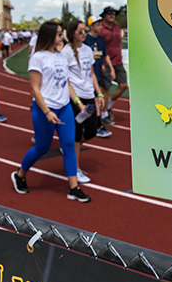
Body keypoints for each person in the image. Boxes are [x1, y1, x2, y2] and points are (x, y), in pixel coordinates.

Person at [11, 21, 90, 202]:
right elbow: (35, 89)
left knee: (69, 145)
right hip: (44, 110)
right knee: (42, 147)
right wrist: (47, 111)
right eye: (59, 34)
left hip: (64, 108)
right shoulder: (37, 58)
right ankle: (20, 175)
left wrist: (77, 102)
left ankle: (73, 188)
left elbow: (66, 82)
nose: (62, 36)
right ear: (49, 36)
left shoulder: (62, 56)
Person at [62, 20, 105, 184]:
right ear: (72, 33)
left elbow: (92, 74)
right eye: (80, 31)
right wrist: (78, 102)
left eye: (84, 30)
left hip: (89, 95)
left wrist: (99, 94)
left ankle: (70, 149)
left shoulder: (87, 50)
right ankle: (76, 169)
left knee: (91, 132)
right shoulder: (65, 52)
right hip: (76, 98)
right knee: (77, 135)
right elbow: (67, 80)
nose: (83, 33)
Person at [84, 15, 113, 138]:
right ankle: (97, 125)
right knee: (94, 101)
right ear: (91, 26)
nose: (100, 27)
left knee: (96, 100)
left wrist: (110, 68)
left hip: (98, 75)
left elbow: (104, 54)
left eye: (100, 24)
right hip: (88, 76)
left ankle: (95, 124)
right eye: (97, 25)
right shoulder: (85, 40)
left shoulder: (101, 39)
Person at [99, 6, 127, 125]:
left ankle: (108, 105)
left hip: (118, 61)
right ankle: (104, 115)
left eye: (113, 13)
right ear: (104, 15)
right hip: (106, 62)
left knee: (124, 85)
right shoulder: (100, 28)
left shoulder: (116, 26)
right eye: (109, 13)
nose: (112, 15)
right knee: (106, 89)